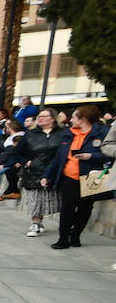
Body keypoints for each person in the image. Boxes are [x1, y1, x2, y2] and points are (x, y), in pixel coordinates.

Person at [42, 104, 113, 249]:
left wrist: (91, 156)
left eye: (74, 116)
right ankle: (63, 239)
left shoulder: (103, 132)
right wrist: (47, 175)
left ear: (83, 118)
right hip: (69, 176)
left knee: (85, 208)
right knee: (67, 207)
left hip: (90, 177)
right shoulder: (68, 133)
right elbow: (58, 157)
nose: (71, 119)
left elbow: (110, 154)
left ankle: (75, 236)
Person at [14, 107, 64, 236]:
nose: (40, 119)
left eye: (44, 116)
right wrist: (27, 162)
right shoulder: (30, 134)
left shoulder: (63, 133)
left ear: (52, 118)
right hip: (34, 171)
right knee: (35, 199)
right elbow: (17, 152)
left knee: (51, 199)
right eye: (39, 117)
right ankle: (35, 223)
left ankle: (42, 221)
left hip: (55, 171)